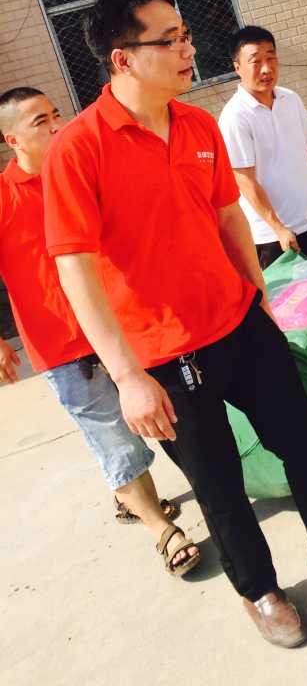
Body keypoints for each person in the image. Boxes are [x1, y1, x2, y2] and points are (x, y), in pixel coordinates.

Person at [42, 0, 307, 649]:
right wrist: (127, 377)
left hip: (240, 323)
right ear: (123, 58)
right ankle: (260, 591)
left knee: (304, 442)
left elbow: (228, 216)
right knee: (219, 485)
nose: (189, 49)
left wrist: (257, 294)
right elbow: (76, 271)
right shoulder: (79, 149)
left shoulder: (198, 125)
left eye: (186, 35)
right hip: (164, 355)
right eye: (170, 40)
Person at [0, 86, 199, 576]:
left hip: (126, 324)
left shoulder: (83, 171)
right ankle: (161, 528)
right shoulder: (4, 198)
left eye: (56, 114)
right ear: (12, 140)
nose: (56, 125)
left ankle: (135, 494)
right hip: (63, 347)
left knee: (166, 415)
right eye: (40, 121)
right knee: (114, 437)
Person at [218, 26, 307, 270]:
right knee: (294, 296)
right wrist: (278, 227)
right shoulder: (235, 116)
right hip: (273, 237)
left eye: (271, 58)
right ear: (237, 67)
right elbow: (244, 179)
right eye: (256, 62)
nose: (266, 69)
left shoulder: (290, 99)